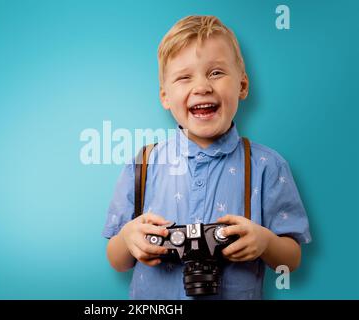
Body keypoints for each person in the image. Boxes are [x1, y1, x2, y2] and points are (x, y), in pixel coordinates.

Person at [102, 15, 311, 299]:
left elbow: (292, 260)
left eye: (215, 73)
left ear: (242, 85)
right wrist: (128, 237)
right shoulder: (145, 163)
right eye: (184, 77)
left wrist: (265, 242)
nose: (201, 87)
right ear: (165, 96)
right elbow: (117, 260)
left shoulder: (267, 166)